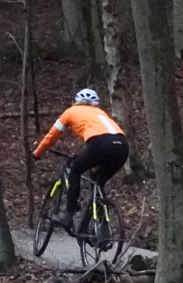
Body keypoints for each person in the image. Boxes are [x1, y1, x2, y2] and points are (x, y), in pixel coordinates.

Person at [32, 89, 128, 232]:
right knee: (98, 182)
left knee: (76, 170)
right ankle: (103, 227)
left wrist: (37, 153)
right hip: (122, 145)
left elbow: (51, 136)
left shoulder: (70, 112)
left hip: (100, 143)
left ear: (75, 102)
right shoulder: (101, 113)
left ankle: (68, 215)